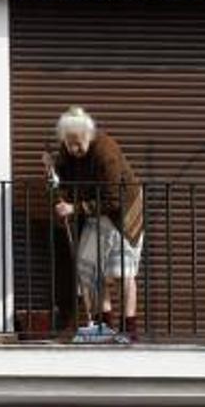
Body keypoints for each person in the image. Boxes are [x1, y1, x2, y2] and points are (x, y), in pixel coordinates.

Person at [44, 106, 143, 338]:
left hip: (123, 215)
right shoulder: (68, 150)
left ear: (89, 135)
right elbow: (63, 180)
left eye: (79, 143)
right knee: (88, 269)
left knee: (124, 271)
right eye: (70, 144)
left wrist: (74, 208)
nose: (75, 148)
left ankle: (130, 331)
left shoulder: (106, 151)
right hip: (95, 213)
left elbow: (113, 199)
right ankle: (103, 328)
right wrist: (51, 168)